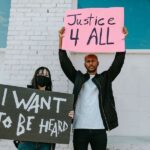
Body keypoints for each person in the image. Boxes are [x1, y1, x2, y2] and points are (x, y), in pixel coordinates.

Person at [58, 27, 128, 150]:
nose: (91, 63)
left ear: (98, 63)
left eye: (93, 61)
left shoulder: (104, 79)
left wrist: (122, 39)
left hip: (99, 129)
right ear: (85, 64)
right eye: (88, 61)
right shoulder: (78, 78)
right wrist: (61, 40)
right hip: (80, 128)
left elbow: (118, 63)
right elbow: (65, 64)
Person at [16, 66, 55, 150]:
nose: (43, 76)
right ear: (36, 76)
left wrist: (67, 113)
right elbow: (16, 114)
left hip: (45, 142)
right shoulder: (25, 94)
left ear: (49, 79)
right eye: (41, 74)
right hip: (27, 141)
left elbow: (57, 118)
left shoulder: (54, 99)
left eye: (46, 75)